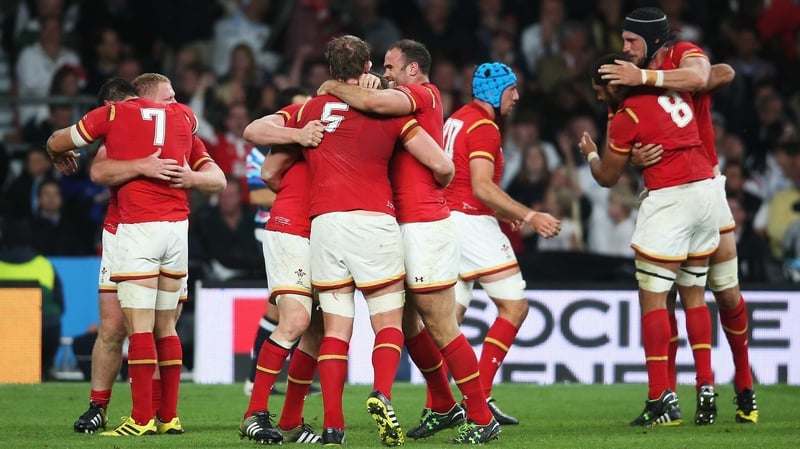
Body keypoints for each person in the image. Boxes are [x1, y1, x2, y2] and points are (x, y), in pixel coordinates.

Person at [317, 39, 503, 443]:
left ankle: (481, 415)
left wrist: (333, 86)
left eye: (391, 67)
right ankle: (444, 405)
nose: (385, 74)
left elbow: (378, 105)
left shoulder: (424, 94)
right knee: (408, 324)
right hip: (399, 223)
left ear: (412, 69)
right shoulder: (399, 100)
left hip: (424, 223)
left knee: (441, 324)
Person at [290, 34, 453, 446]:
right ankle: (381, 392)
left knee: (334, 331)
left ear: (330, 70)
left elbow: (268, 160)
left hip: (324, 225)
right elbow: (441, 163)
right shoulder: (387, 109)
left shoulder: (308, 109)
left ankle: (332, 427)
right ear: (367, 68)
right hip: (374, 220)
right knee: (388, 322)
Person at [599, 6, 758, 424]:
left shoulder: (681, 55)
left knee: (724, 292)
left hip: (705, 184)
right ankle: (676, 394)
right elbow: (710, 79)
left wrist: (646, 79)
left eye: (631, 40)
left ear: (653, 39)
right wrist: (634, 158)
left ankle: (743, 383)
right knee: (681, 295)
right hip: (688, 187)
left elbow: (713, 74)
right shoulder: (640, 86)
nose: (624, 48)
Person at [47, 77, 214, 437]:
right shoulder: (174, 119)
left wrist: (190, 177)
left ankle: (149, 414)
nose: (173, 102)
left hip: (140, 229)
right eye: (169, 96)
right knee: (114, 328)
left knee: (152, 327)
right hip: (130, 233)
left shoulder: (143, 120)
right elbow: (98, 171)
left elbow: (216, 178)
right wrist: (143, 165)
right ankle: (102, 407)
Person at [580, 52, 719, 427]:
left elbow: (607, 177)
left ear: (613, 85)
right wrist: (635, 155)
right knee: (694, 295)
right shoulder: (674, 89)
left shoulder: (628, 117)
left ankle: (661, 398)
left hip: (671, 198)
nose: (598, 98)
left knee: (653, 299)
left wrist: (591, 154)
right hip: (706, 192)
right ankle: (706, 384)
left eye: (600, 91)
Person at [443, 61, 561, 427]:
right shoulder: (484, 126)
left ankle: (441, 406)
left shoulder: (456, 119)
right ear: (496, 92)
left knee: (447, 322)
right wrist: (530, 215)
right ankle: (479, 396)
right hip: (471, 225)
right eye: (512, 89)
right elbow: (480, 186)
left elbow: (460, 179)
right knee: (515, 307)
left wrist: (501, 210)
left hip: (446, 222)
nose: (517, 96)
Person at [236, 91, 326, 445]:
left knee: (315, 330)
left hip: (327, 231)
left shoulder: (339, 125)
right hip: (288, 228)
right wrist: (300, 134)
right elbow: (265, 174)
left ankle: (290, 422)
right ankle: (254, 409)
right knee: (292, 319)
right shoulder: (299, 124)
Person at [242, 87, 310, 398]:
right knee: (284, 309)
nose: (305, 113)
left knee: (282, 310)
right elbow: (257, 194)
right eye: (298, 107)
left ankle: (261, 379)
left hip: (300, 229)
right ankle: (257, 380)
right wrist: (299, 190)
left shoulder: (310, 141)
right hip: (273, 230)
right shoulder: (261, 150)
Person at [0, 217, 65, 381]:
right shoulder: (44, 265)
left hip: (5, 334)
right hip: (45, 332)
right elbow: (60, 305)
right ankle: (45, 372)